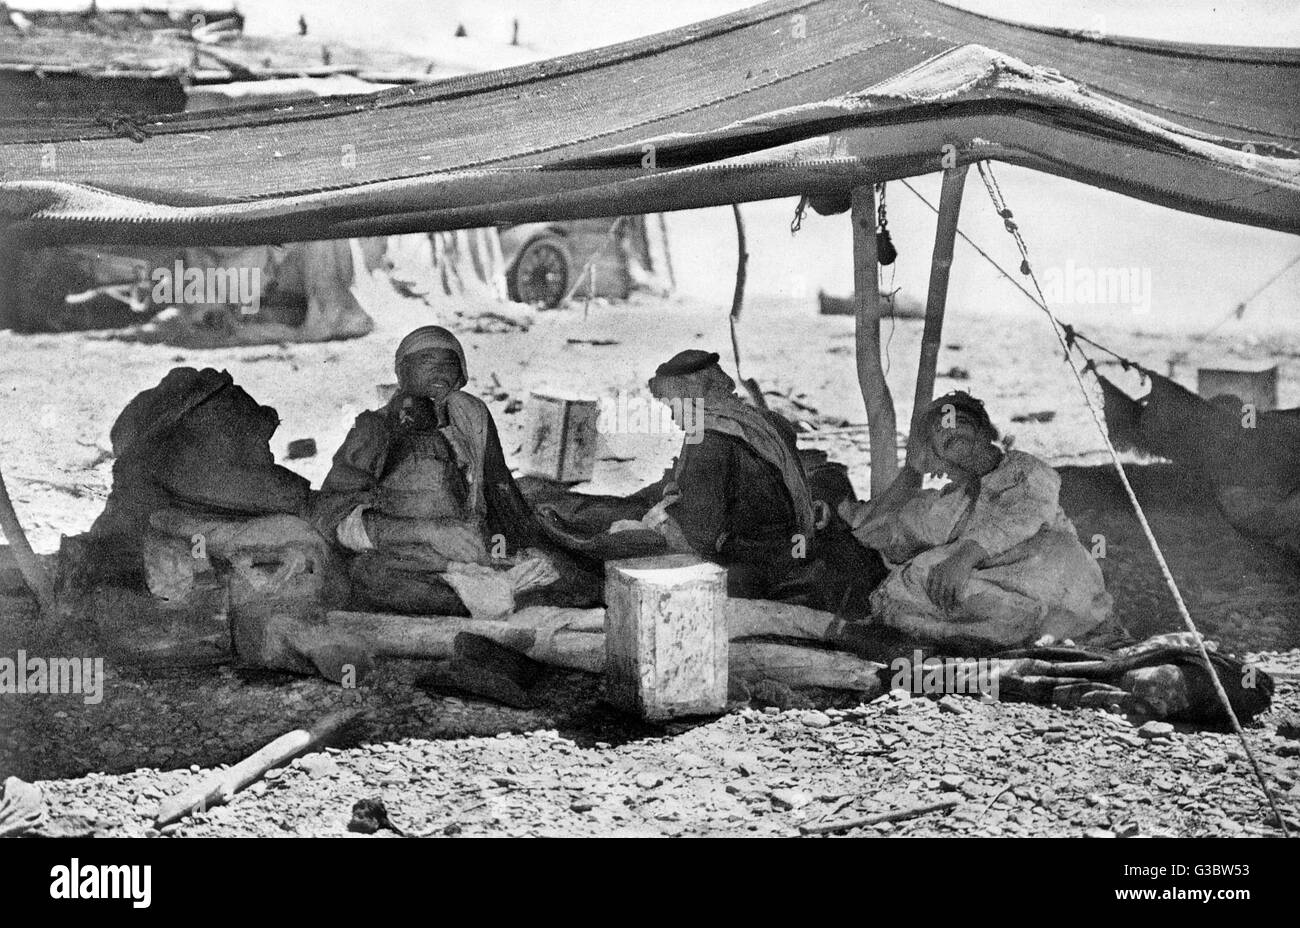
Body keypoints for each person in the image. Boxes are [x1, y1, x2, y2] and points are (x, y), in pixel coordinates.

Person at [314, 325, 593, 615]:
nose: (438, 372)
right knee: (373, 577)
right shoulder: (375, 429)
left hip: (475, 560)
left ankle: (498, 594)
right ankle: (491, 599)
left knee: (567, 574)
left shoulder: (470, 419)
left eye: (448, 363)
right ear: (400, 372)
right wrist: (427, 532)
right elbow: (332, 516)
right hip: (408, 563)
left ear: (460, 374)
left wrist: (504, 551)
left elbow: (501, 500)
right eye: (425, 362)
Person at [838, 391, 1112, 652]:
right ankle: (999, 632)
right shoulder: (955, 499)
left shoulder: (1025, 469)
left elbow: (1024, 517)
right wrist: (907, 473)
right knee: (906, 582)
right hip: (1011, 589)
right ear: (939, 456)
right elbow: (883, 526)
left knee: (926, 577)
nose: (950, 429)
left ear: (985, 431)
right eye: (940, 434)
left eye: (960, 421)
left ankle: (1015, 628)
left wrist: (962, 558)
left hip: (1058, 576)